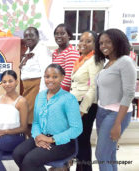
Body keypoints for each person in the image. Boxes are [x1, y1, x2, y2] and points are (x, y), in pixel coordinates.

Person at [12, 64, 83, 171]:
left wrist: (50, 139)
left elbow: (77, 129)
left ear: (62, 77)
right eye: (47, 76)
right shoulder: (40, 96)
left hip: (63, 143)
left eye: (55, 77)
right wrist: (37, 137)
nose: (50, 80)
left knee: (30, 160)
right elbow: (36, 122)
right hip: (42, 137)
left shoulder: (69, 99)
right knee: (18, 154)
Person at [94, 28, 136, 171]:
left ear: (117, 42)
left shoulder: (125, 61)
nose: (103, 46)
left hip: (116, 114)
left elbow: (129, 93)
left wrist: (118, 123)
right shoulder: (108, 63)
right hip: (102, 112)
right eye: (101, 43)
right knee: (110, 154)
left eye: (108, 42)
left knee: (101, 155)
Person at [70, 30, 104, 171]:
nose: (83, 43)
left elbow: (94, 87)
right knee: (78, 141)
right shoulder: (82, 58)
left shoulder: (95, 60)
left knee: (83, 141)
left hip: (86, 105)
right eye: (81, 40)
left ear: (95, 44)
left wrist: (82, 109)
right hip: (76, 102)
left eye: (88, 41)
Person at [20, 26, 52, 128]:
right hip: (27, 89)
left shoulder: (42, 50)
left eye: (31, 35)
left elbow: (46, 74)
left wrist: (42, 96)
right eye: (26, 36)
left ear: (38, 36)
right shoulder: (27, 52)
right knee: (26, 120)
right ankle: (32, 142)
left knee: (32, 121)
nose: (28, 38)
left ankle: (35, 142)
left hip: (36, 89)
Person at [52, 23, 80, 92]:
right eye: (56, 34)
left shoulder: (71, 52)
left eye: (62, 33)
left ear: (69, 36)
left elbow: (68, 79)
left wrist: (56, 94)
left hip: (64, 93)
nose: (59, 36)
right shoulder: (55, 53)